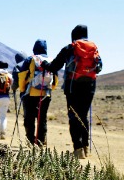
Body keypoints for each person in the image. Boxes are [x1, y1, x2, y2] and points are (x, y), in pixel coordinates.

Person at [41, 25, 102, 159]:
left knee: (73, 116)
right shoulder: (94, 48)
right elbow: (99, 67)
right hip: (90, 86)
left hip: (73, 87)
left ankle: (78, 148)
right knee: (83, 116)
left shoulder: (70, 47)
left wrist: (44, 64)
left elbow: (54, 66)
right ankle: (86, 147)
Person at [17, 39, 58, 148]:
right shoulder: (52, 60)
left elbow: (21, 76)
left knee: (29, 118)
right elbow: (56, 79)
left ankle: (30, 142)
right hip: (45, 95)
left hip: (30, 93)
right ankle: (40, 142)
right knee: (42, 118)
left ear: (34, 48)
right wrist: (49, 89)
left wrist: (22, 90)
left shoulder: (30, 59)